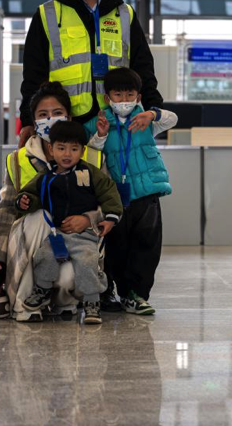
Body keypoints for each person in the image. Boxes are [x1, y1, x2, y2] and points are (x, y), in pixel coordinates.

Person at [18, 0, 164, 147]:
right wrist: (28, 120)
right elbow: (33, 73)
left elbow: (143, 67)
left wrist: (153, 108)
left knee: (118, 179)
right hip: (69, 123)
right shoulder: (47, 14)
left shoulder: (124, 13)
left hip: (117, 119)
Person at [0, 81, 107, 321]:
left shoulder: (92, 156)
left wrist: (87, 219)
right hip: (30, 241)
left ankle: (64, 303)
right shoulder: (19, 160)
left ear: (69, 117)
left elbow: (107, 204)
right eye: (43, 115)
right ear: (34, 121)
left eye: (57, 113)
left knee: (71, 277)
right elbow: (5, 210)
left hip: (77, 240)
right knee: (39, 216)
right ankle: (25, 305)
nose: (51, 119)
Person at [84, 67, 177, 315]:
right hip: (116, 197)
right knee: (117, 246)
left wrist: (152, 113)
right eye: (118, 94)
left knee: (147, 244)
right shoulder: (100, 121)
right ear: (107, 98)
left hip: (147, 195)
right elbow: (88, 149)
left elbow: (173, 119)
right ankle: (116, 291)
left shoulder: (145, 120)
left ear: (137, 96)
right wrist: (101, 136)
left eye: (129, 94)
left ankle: (137, 294)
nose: (124, 100)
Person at [16, 120, 123, 325]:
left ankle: (92, 302)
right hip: (56, 234)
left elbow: (110, 194)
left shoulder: (90, 173)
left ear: (82, 151)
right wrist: (24, 201)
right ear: (51, 148)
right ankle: (42, 290)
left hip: (84, 235)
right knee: (44, 256)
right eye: (61, 148)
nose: (67, 154)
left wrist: (110, 218)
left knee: (87, 262)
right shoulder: (46, 177)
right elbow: (30, 195)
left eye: (74, 149)